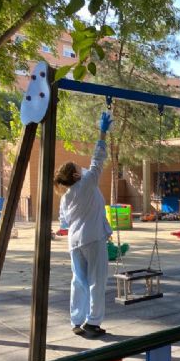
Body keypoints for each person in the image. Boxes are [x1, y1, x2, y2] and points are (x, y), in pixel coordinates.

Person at [54, 112, 113, 337]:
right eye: (79, 167)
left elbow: (65, 221)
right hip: (92, 238)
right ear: (77, 174)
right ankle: (93, 322)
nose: (83, 167)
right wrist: (103, 131)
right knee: (97, 281)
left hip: (75, 242)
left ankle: (77, 320)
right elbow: (98, 159)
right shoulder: (87, 183)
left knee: (78, 281)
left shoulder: (66, 195)